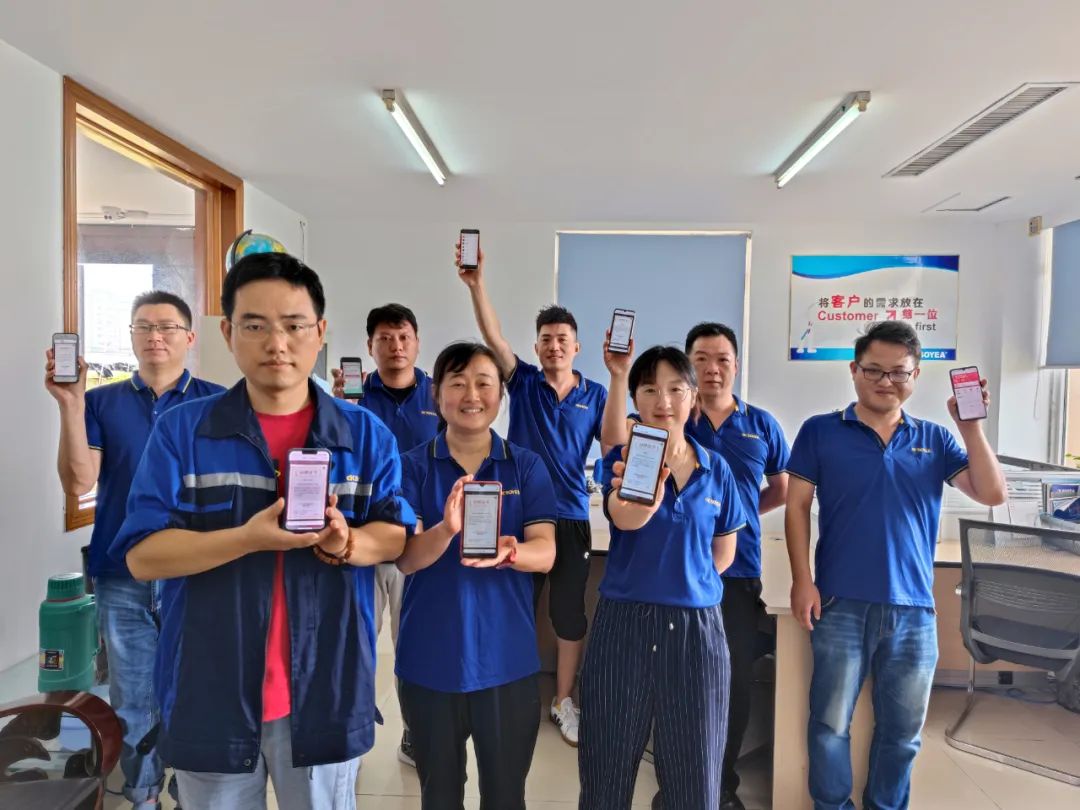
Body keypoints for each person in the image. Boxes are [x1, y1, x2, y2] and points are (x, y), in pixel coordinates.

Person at [110, 251, 414, 810]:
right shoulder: (184, 431)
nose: (277, 343)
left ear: (320, 332)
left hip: (323, 687)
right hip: (212, 687)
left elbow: (395, 535)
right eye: (255, 326)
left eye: (294, 325)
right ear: (228, 333)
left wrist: (345, 542)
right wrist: (247, 538)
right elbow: (142, 556)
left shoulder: (364, 435)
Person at [785, 321, 1007, 810]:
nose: (886, 381)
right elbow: (796, 507)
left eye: (899, 372)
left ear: (916, 375)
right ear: (854, 370)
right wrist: (803, 580)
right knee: (829, 724)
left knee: (903, 733)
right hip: (839, 602)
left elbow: (992, 493)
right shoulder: (820, 430)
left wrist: (970, 426)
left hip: (913, 611)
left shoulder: (936, 439)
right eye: (874, 370)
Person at [46, 290, 223, 810]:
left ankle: (191, 792)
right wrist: (71, 404)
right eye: (143, 327)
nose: (155, 337)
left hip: (196, 572)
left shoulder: (217, 403)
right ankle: (143, 795)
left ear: (189, 337)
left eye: (167, 327)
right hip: (121, 573)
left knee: (196, 691)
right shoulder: (102, 402)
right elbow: (79, 480)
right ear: (131, 337)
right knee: (132, 698)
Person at [579, 346, 746, 810]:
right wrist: (645, 498)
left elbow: (724, 553)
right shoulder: (620, 460)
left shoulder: (717, 470)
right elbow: (623, 517)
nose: (664, 400)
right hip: (623, 627)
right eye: (650, 389)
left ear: (693, 397)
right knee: (606, 771)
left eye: (676, 388)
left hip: (697, 632)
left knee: (695, 778)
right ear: (635, 397)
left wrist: (684, 582)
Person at [459, 243, 611, 747]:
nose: (554, 347)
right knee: (512, 607)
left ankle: (563, 700)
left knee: (568, 616)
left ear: (577, 346)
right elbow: (493, 337)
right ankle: (507, 691)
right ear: (537, 345)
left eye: (562, 339)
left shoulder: (595, 395)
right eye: (546, 339)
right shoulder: (523, 381)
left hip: (570, 517)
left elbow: (614, 441)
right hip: (518, 514)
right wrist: (477, 284)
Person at [395, 341, 556, 809]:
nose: (471, 395)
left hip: (507, 662)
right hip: (430, 661)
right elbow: (406, 559)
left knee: (505, 797)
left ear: (500, 394)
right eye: (458, 383)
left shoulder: (525, 465)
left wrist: (512, 552)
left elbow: (546, 552)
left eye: (484, 383)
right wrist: (446, 529)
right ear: (437, 394)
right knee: (439, 796)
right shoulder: (411, 466)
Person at [637, 323, 789, 810]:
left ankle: (720, 787)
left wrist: (733, 519)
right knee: (673, 685)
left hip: (736, 573)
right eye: (700, 359)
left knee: (731, 685)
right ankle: (673, 786)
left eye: (722, 359)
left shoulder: (761, 424)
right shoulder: (672, 418)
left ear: (736, 366)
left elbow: (782, 488)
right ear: (687, 366)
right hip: (674, 575)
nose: (712, 369)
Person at [332, 302, 439, 766]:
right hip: (363, 539)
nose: (396, 346)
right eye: (385, 339)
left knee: (414, 643)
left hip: (417, 539)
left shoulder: (439, 395)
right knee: (355, 642)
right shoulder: (350, 400)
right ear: (369, 346)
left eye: (403, 337)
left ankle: (415, 731)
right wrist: (342, 410)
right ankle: (350, 733)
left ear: (416, 342)